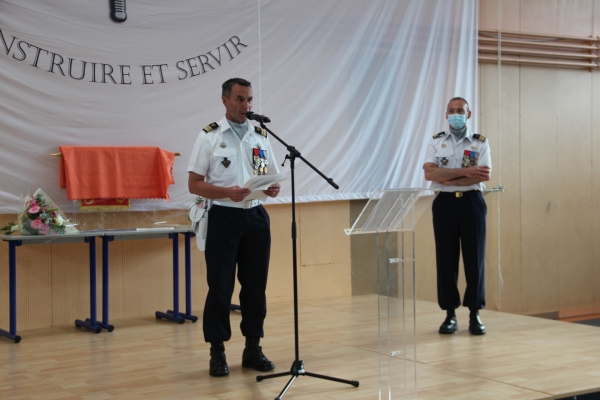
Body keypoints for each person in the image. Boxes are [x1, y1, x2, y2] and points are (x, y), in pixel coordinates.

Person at [187, 78, 281, 377]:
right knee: (221, 287)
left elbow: (265, 175)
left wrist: (271, 188)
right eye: (240, 99)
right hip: (223, 218)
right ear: (225, 100)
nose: (246, 105)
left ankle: (253, 348)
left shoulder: (260, 135)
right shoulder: (210, 137)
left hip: (255, 217)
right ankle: (217, 352)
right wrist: (227, 192)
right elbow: (194, 184)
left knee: (255, 287)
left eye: (249, 99)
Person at [423, 97, 491, 336]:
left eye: (460, 111)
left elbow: (482, 176)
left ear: (468, 115)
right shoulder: (437, 141)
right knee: (446, 259)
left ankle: (475, 314)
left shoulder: (479, 143)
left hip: (472, 203)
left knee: (475, 261)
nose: (455, 114)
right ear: (446, 114)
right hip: (444, 204)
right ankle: (450, 314)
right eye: (451, 111)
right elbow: (430, 172)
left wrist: (447, 176)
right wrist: (465, 171)